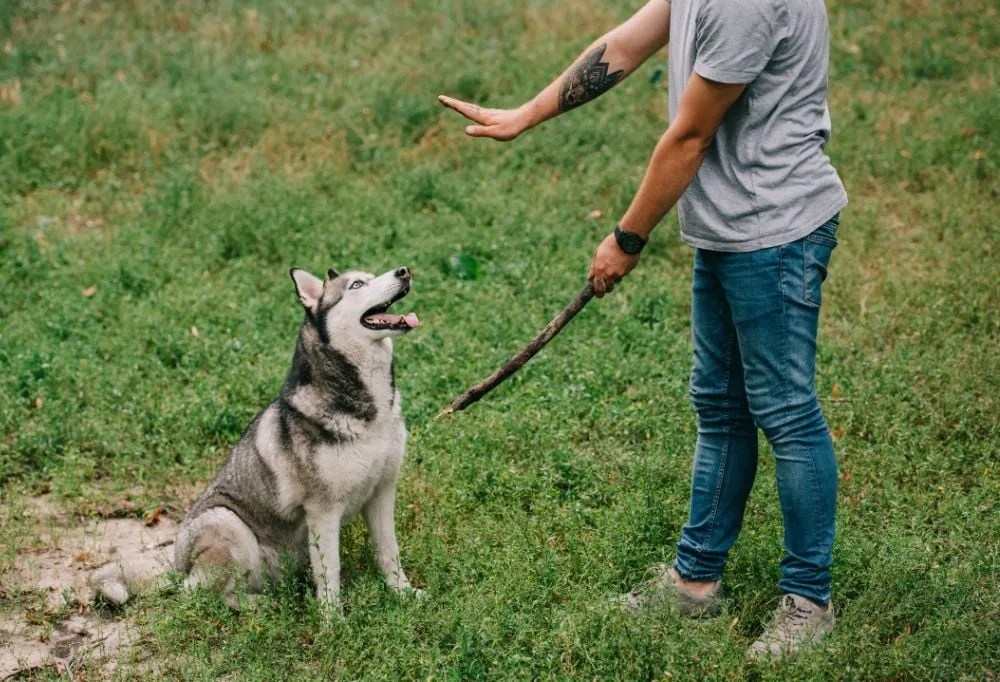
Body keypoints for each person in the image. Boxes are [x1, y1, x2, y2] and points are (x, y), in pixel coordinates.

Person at [439, 0, 847, 662]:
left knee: (786, 412)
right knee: (721, 407)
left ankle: (808, 602)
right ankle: (695, 583)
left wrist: (627, 237)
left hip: (774, 231)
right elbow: (625, 45)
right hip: (730, 225)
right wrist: (525, 114)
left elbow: (691, 137)